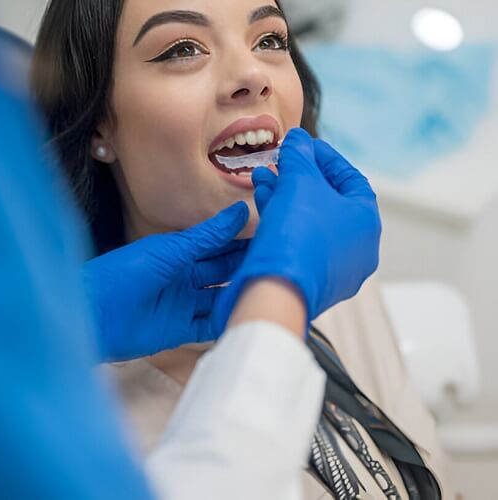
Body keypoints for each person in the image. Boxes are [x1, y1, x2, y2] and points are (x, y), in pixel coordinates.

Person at [31, 0, 453, 497]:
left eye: (270, 39)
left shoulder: (342, 292)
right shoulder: (62, 426)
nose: (253, 73)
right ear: (100, 123)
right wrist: (282, 291)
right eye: (182, 49)